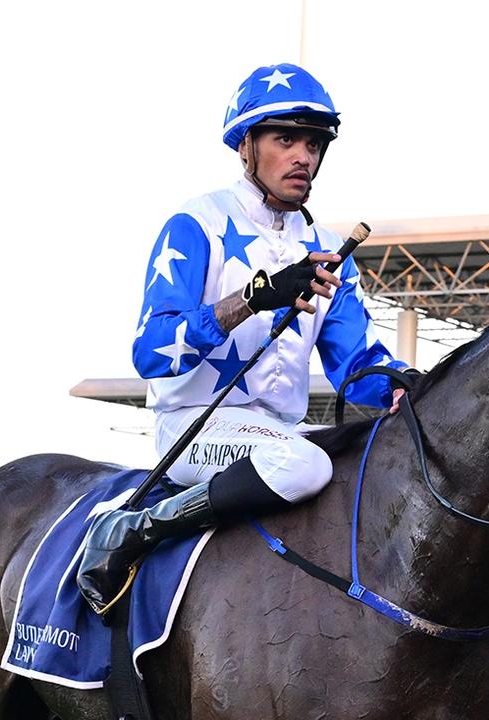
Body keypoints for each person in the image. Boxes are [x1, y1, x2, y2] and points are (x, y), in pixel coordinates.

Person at [76, 63, 413, 616]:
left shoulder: (328, 247)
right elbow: (151, 352)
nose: (304, 156)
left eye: (313, 143)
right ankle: (137, 528)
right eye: (286, 139)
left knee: (374, 456)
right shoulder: (194, 223)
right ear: (247, 147)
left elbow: (357, 362)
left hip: (279, 432)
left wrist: (405, 385)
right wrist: (254, 299)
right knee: (306, 466)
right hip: (194, 425)